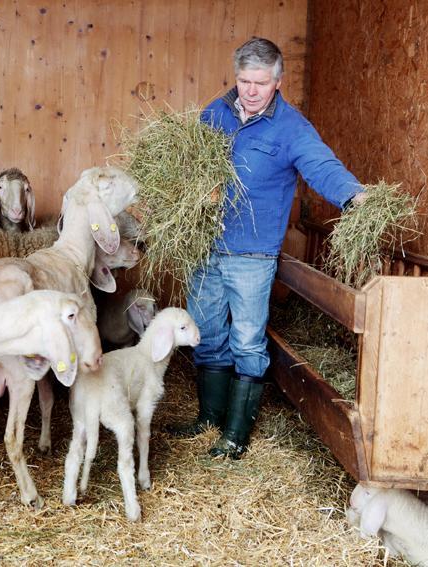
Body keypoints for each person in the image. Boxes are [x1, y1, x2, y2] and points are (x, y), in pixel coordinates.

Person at [166, 37, 366, 459]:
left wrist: (355, 196)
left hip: (252, 255)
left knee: (247, 340)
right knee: (207, 333)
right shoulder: (213, 114)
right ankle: (209, 420)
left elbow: (321, 166)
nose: (250, 90)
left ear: (278, 81)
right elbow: (186, 166)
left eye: (260, 82)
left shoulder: (292, 128)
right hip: (204, 245)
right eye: (243, 81)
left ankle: (236, 435)